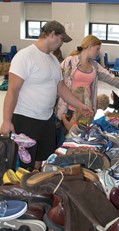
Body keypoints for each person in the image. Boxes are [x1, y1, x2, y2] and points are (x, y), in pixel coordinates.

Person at [0, 20, 93, 171]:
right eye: (61, 39)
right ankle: (22, 193)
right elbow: (12, 90)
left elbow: (61, 89)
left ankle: (36, 189)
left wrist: (81, 106)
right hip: (26, 119)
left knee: (40, 161)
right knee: (24, 166)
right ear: (52, 35)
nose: (62, 43)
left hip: (46, 120)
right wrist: (6, 120)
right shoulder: (25, 56)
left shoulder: (53, 60)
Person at [55, 34, 119, 120]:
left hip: (86, 110)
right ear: (89, 46)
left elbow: (114, 80)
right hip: (67, 108)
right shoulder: (69, 61)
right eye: (97, 49)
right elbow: (56, 80)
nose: (98, 53)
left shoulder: (95, 66)